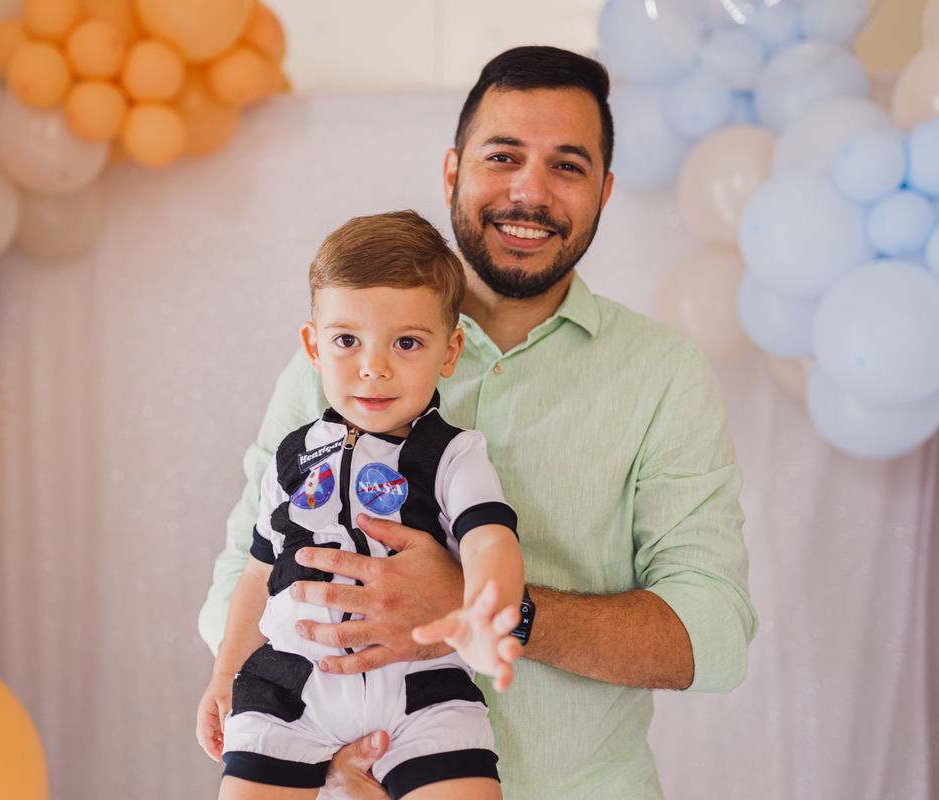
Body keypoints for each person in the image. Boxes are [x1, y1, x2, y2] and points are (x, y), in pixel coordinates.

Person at [199, 46, 757, 800]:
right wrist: (309, 743)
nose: (530, 193)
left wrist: (492, 607)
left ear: (604, 191)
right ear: (452, 170)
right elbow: (247, 569)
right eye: (503, 156)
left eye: (568, 165)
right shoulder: (339, 363)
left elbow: (713, 636)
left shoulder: (664, 373)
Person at [196, 210, 528, 800]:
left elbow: (490, 538)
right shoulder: (291, 457)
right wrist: (227, 672)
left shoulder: (452, 454)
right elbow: (257, 570)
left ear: (449, 353)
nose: (374, 367)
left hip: (422, 689)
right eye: (347, 340)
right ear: (313, 347)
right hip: (292, 689)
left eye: (406, 342)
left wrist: (486, 608)